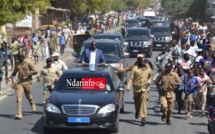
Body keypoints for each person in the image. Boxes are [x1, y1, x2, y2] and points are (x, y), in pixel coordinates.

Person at [6, 53, 37, 119]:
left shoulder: (29, 62)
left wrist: (28, 74)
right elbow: (14, 72)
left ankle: (32, 103)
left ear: (22, 57)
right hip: (19, 82)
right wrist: (9, 78)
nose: (18, 60)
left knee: (28, 96)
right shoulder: (17, 63)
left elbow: (35, 71)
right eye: (17, 58)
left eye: (19, 58)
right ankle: (19, 114)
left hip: (28, 82)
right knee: (18, 98)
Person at [125, 56, 153, 126]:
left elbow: (151, 76)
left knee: (143, 102)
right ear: (139, 62)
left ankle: (143, 118)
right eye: (141, 61)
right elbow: (131, 79)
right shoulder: (135, 69)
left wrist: (148, 82)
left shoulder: (148, 69)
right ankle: (137, 111)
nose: (143, 62)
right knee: (137, 102)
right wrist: (128, 87)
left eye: (144, 61)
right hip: (137, 88)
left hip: (145, 89)